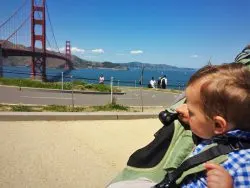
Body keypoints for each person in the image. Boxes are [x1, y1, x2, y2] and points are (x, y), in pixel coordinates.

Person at [107, 63, 250, 188]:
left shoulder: (244, 165)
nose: (179, 109)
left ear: (218, 125)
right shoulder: (216, 135)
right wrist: (194, 119)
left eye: (191, 112)